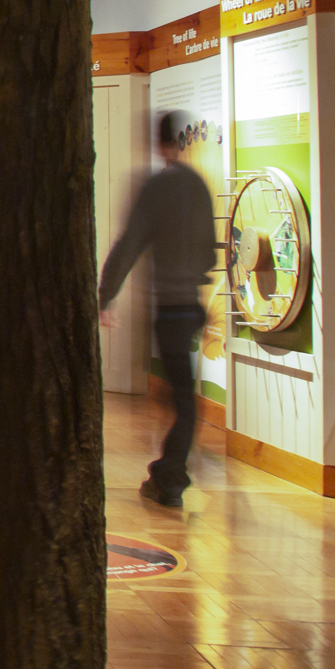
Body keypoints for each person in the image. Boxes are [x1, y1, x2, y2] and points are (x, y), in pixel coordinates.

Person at [99, 110, 218, 509]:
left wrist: (105, 294)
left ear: (159, 143)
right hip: (191, 307)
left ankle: (170, 475)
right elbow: (209, 249)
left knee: (180, 395)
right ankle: (169, 469)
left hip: (168, 307)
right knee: (180, 391)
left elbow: (129, 244)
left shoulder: (156, 187)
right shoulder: (199, 186)